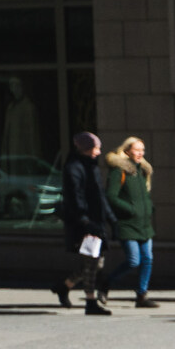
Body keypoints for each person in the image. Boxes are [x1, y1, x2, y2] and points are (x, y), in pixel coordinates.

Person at [52, 130, 117, 315]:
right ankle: (90, 302)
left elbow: (100, 196)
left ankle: (65, 285)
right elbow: (75, 198)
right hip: (84, 223)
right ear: (86, 148)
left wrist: (111, 219)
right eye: (96, 148)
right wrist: (85, 221)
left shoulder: (92, 167)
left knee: (97, 263)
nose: (98, 151)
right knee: (91, 262)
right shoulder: (74, 168)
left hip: (96, 221)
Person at [104, 136, 159, 307]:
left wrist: (149, 207)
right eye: (136, 149)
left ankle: (142, 295)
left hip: (143, 224)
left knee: (148, 259)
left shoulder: (141, 170)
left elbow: (145, 195)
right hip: (127, 224)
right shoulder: (119, 171)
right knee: (134, 260)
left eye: (142, 150)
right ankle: (106, 283)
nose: (140, 153)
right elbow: (111, 197)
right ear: (127, 150)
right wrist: (130, 209)